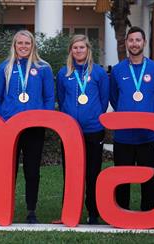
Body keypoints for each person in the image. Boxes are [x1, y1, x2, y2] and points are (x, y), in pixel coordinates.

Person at [0, 30, 55, 224]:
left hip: (34, 127)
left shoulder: (43, 68)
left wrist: (44, 118)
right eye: (20, 43)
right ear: (14, 45)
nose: (24, 46)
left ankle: (31, 210)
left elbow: (49, 97)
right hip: (9, 127)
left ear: (33, 45)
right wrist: (0, 120)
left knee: (32, 170)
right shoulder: (5, 67)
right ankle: (5, 207)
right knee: (8, 169)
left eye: (27, 43)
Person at [108, 26, 154, 211]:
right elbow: (114, 98)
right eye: (131, 40)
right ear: (126, 43)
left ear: (144, 43)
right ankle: (121, 213)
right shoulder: (117, 70)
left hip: (148, 136)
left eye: (138, 40)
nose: (134, 44)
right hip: (123, 136)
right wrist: (126, 113)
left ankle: (148, 213)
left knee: (149, 177)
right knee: (122, 179)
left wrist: (150, 114)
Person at [55, 34, 109, 225]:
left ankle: (92, 212)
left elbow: (104, 101)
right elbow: (61, 99)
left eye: (82, 47)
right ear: (71, 51)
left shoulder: (99, 73)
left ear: (88, 50)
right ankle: (69, 212)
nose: (78, 51)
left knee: (93, 172)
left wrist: (93, 117)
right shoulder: (64, 73)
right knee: (70, 173)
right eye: (75, 48)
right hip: (70, 132)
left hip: (93, 129)